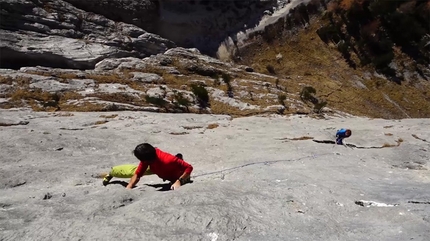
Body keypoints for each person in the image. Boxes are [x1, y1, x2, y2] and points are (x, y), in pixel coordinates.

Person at [126, 143, 193, 190]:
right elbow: (138, 174)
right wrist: (129, 186)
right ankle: (178, 158)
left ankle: (179, 158)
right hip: (162, 170)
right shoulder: (147, 158)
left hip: (180, 176)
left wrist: (179, 181)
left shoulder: (168, 159)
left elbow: (189, 167)